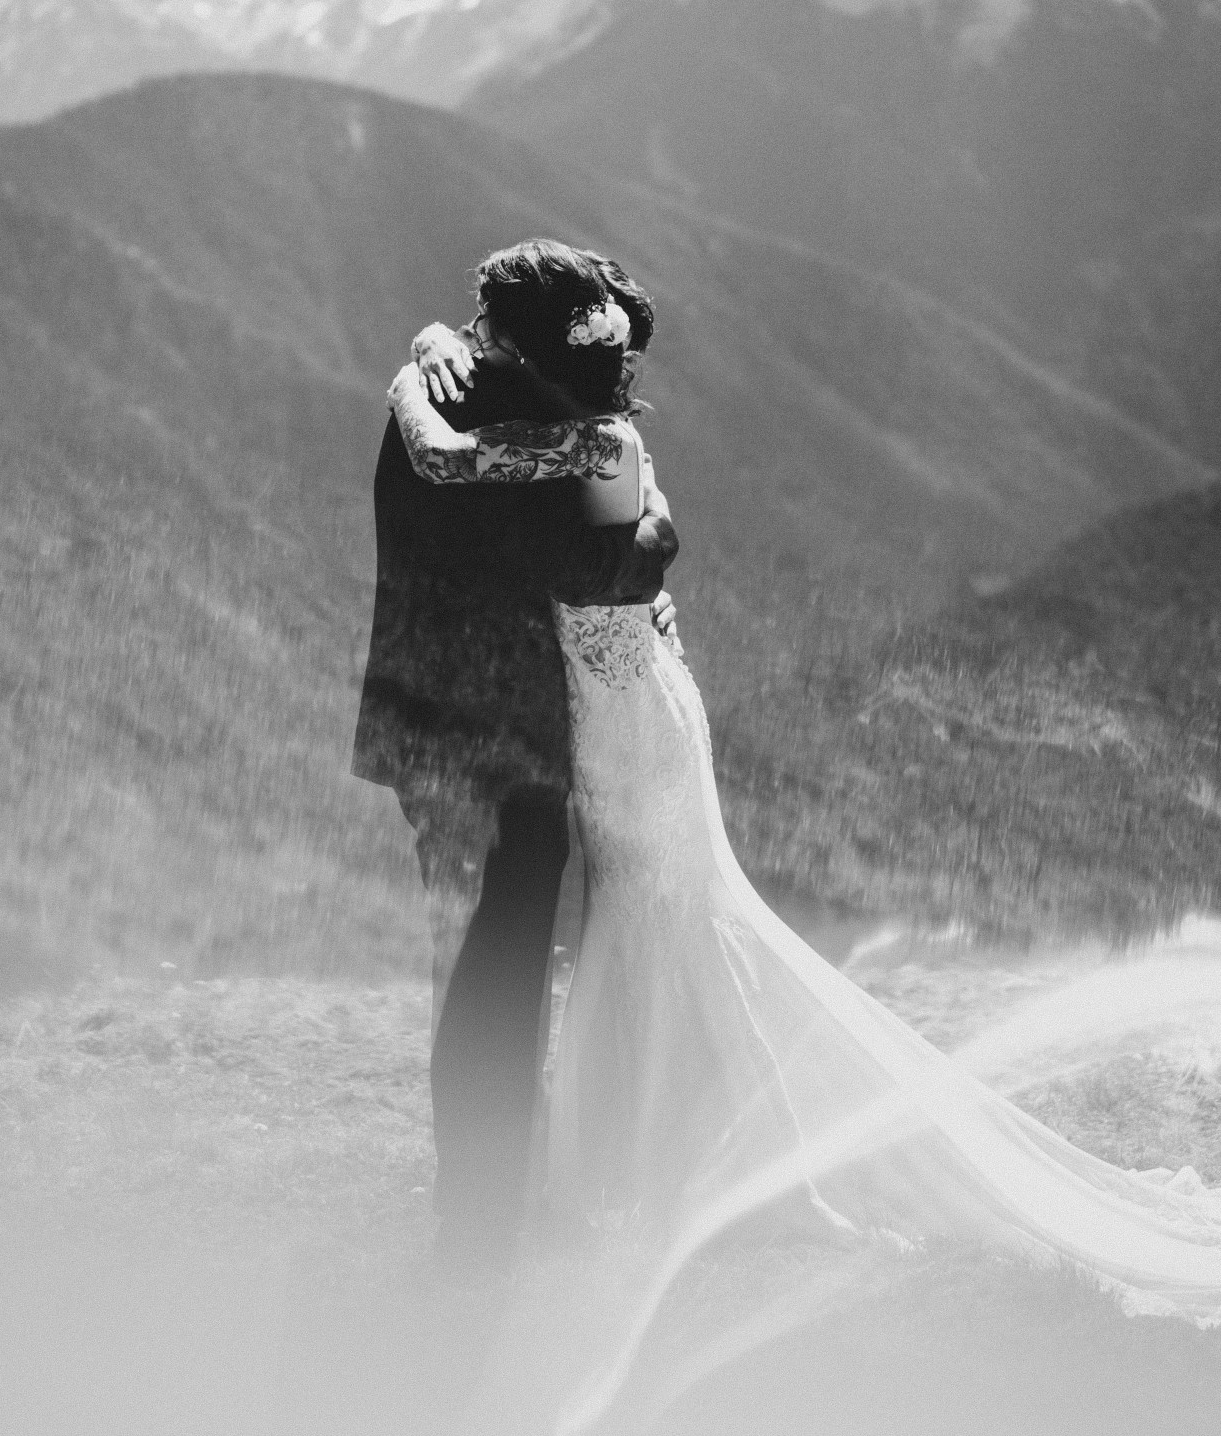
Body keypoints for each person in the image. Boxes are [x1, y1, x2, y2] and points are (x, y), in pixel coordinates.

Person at [387, 237, 1221, 1350]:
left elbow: (444, 459)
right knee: (653, 926)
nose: (486, 349)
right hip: (627, 705)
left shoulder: (586, 441)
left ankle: (664, 1164)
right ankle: (655, 1156)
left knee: (660, 925)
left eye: (501, 337)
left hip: (617, 720)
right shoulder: (606, 439)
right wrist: (435, 339)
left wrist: (413, 368)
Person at [352, 242, 678, 1264]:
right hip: (498, 749)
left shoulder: (438, 394)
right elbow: (610, 562)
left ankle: (491, 1193)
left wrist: (420, 353)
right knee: (497, 973)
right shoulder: (494, 421)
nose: (603, 376)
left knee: (481, 966)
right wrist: (655, 538)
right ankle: (482, 1217)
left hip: (434, 735)